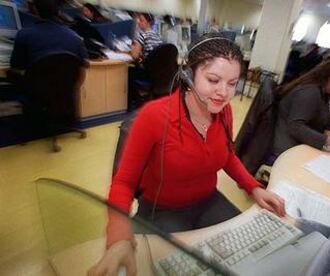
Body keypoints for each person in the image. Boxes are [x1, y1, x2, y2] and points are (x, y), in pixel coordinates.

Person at [88, 33, 286, 276]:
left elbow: (226, 156)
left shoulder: (223, 113)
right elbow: (123, 182)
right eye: (213, 80)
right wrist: (118, 237)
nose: (223, 93)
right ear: (188, 74)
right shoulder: (153, 117)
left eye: (233, 83)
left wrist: (254, 188)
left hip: (208, 201)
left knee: (251, 252)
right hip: (162, 209)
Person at [272, 58, 330, 158]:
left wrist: (329, 132)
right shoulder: (310, 92)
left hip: (292, 144)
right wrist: (328, 140)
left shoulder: (322, 92)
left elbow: (324, 118)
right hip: (284, 150)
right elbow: (295, 127)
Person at [10, 0, 88, 70]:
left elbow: (16, 65)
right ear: (58, 11)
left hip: (35, 84)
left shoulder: (24, 34)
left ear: (35, 9)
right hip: (66, 85)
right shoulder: (75, 37)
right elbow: (85, 64)